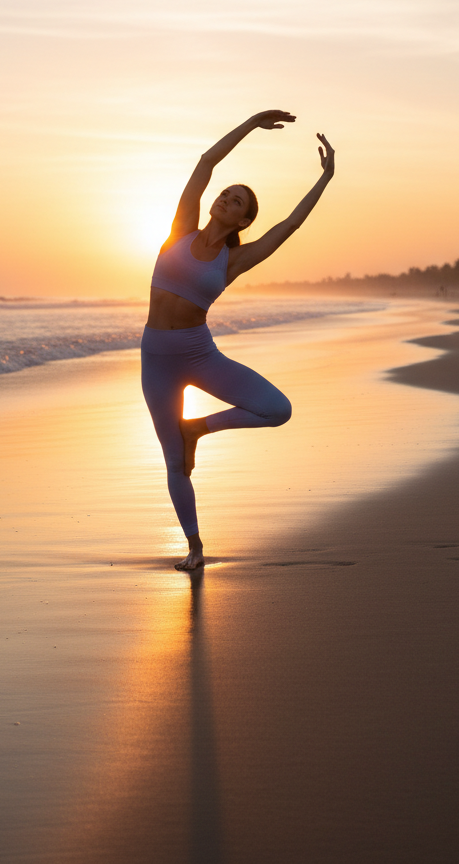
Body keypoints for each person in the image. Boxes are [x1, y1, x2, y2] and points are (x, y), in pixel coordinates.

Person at [142, 110, 335, 570]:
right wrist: (252, 124)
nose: (226, 197)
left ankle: (199, 428)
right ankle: (194, 548)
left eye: (236, 200)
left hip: (198, 352)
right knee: (174, 463)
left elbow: (287, 227)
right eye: (227, 193)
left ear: (244, 218)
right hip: (156, 356)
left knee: (277, 410)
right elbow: (206, 163)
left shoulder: (234, 261)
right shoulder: (181, 229)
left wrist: (325, 178)